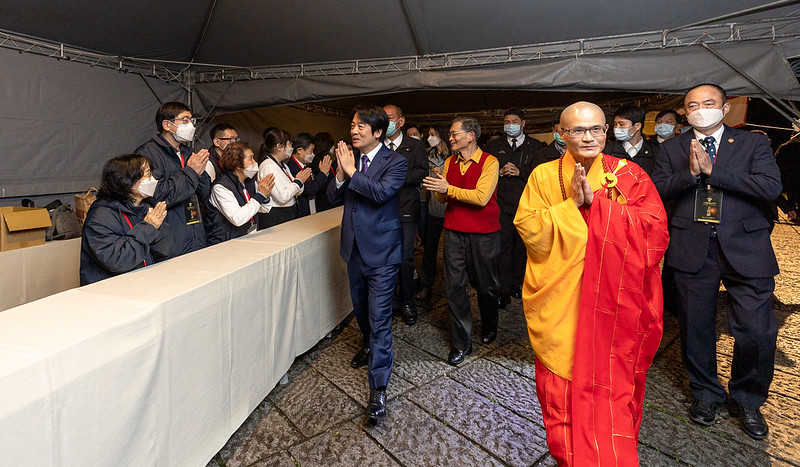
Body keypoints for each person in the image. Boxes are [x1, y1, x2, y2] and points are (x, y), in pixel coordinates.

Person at [514, 101, 668, 465]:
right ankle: (570, 457)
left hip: (614, 302)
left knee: (613, 391)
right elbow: (529, 228)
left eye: (596, 129)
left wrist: (600, 208)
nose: (588, 137)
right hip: (563, 299)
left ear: (607, 131)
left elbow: (656, 230)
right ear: (561, 133)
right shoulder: (543, 175)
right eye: (578, 130)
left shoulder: (629, 174)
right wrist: (572, 206)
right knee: (562, 391)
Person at [652, 83, 782, 440]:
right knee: (695, 327)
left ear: (725, 109)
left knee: (757, 330)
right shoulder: (672, 148)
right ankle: (706, 393)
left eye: (709, 103)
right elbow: (658, 190)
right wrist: (691, 175)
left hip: (746, 246)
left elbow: (770, 187)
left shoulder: (753, 143)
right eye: (692, 105)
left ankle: (748, 399)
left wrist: (714, 171)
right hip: (693, 246)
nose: (700, 110)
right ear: (685, 111)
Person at [327, 105, 407, 423]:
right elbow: (333, 198)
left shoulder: (395, 162)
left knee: (380, 319)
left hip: (383, 254)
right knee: (361, 311)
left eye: (361, 126)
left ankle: (378, 388)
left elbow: (380, 193)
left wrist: (351, 171)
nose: (354, 130)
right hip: (354, 251)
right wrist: (340, 172)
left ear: (378, 132)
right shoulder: (351, 161)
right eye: (352, 125)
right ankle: (367, 343)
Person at [422, 116, 501, 366]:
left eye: (455, 134)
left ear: (471, 136)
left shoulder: (490, 162)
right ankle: (461, 342)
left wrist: (447, 188)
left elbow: (481, 198)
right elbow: (443, 199)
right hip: (454, 231)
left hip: (484, 233)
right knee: (454, 287)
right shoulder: (448, 162)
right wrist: (438, 187)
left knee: (486, 286)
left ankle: (490, 324)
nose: (450, 138)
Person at [134, 102, 211, 259]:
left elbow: (204, 193)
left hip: (195, 231)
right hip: (170, 238)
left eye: (191, 120)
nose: (191, 125)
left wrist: (200, 174)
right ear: (167, 125)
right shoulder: (147, 154)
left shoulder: (188, 152)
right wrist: (190, 172)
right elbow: (158, 195)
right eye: (185, 120)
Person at [80, 154, 172, 285]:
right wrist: (149, 227)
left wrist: (157, 227)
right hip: (110, 290)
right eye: (147, 174)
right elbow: (117, 260)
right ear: (126, 181)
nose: (152, 179)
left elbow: (164, 250)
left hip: (140, 284)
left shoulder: (142, 208)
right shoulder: (100, 217)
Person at [483, 108, 544, 308]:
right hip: (501, 205)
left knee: (522, 248)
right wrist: (499, 172)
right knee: (502, 247)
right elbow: (485, 174)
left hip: (526, 205)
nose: (510, 125)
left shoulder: (535, 147)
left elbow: (540, 176)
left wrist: (520, 172)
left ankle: (518, 284)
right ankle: (503, 289)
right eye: (507, 122)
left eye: (515, 121)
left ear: (523, 124)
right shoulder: (493, 146)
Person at [383, 105, 428, 325]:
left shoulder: (415, 145)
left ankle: (407, 301)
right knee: (385, 258)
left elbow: (422, 171)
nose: (386, 122)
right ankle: (390, 302)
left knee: (406, 257)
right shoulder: (375, 145)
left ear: (401, 122)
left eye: (390, 118)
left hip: (406, 208)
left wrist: (397, 178)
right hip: (381, 210)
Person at [205, 142, 275, 245]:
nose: (255, 162)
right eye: (250, 159)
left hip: (246, 238)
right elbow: (237, 218)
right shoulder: (220, 187)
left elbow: (264, 209)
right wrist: (260, 195)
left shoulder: (249, 181)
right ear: (237, 164)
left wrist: (265, 196)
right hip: (225, 244)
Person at [415, 124, 451, 301]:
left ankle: (452, 288)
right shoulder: (427, 155)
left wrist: (443, 172)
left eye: (433, 134)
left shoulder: (453, 156)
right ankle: (425, 284)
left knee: (451, 253)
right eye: (429, 134)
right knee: (429, 248)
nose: (430, 138)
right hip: (434, 207)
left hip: (451, 209)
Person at [256, 129, 312, 229]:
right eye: (289, 144)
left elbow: (298, 191)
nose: (291, 148)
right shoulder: (268, 166)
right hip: (276, 216)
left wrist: (298, 182)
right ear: (279, 147)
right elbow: (283, 197)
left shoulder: (283, 165)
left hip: (287, 212)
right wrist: (298, 181)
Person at [285, 132, 332, 217]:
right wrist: (323, 173)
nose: (313, 154)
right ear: (299, 150)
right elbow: (310, 189)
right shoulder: (292, 167)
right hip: (299, 212)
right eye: (311, 150)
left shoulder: (305, 165)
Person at [604, 104, 659, 175]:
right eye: (615, 124)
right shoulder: (608, 150)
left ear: (637, 126)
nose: (616, 128)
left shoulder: (654, 151)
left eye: (621, 124)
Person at [310, 132, 340, 212]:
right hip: (323, 200)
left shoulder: (326, 159)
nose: (333, 147)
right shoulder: (317, 161)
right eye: (332, 145)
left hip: (330, 198)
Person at [774, 134, 800, 221]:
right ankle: (793, 212)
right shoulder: (785, 147)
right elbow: (778, 160)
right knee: (792, 194)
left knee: (792, 194)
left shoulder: (785, 147)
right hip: (789, 175)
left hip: (790, 175)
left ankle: (794, 212)